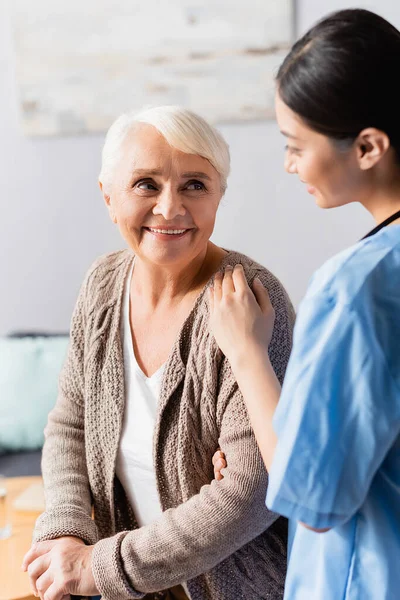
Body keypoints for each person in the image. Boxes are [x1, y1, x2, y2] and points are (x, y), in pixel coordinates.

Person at [21, 106, 295, 600]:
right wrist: (65, 528)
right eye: (146, 184)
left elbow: (251, 493)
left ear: (218, 196)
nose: (170, 208)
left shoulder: (250, 300)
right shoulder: (102, 285)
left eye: (195, 185)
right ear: (108, 196)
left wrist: (99, 566)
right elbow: (70, 424)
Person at [210, 9, 400, 600]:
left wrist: (246, 352)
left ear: (368, 146)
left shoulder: (357, 286)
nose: (290, 165)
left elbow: (312, 496)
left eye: (296, 146)